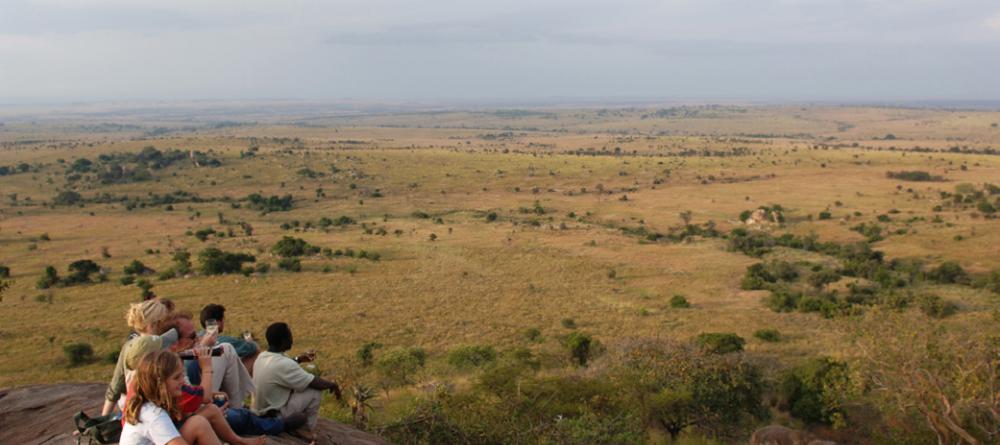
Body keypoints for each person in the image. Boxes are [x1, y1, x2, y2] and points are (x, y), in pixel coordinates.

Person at [252, 322, 342, 439]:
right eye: (290, 336)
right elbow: (314, 382)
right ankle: (306, 428)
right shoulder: (285, 364)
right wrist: (333, 385)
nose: (292, 339)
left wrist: (298, 359)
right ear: (283, 340)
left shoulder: (262, 356)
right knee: (314, 391)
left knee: (296, 385)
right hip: (274, 416)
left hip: (258, 411)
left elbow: (282, 366)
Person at [119, 350, 222, 445]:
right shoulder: (154, 415)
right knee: (199, 423)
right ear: (160, 383)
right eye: (176, 377)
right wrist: (207, 369)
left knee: (198, 423)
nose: (182, 381)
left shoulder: (152, 404)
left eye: (182, 375)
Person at [103, 299, 179, 415]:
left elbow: (116, 385)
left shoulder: (129, 345)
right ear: (154, 324)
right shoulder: (157, 344)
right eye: (164, 321)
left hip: (130, 406)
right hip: (151, 408)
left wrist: (103, 419)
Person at [168, 311, 254, 409]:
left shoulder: (175, 359)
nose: (197, 338)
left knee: (226, 348)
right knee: (227, 349)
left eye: (196, 334)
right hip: (200, 412)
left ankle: (239, 407)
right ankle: (239, 408)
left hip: (200, 405)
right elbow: (204, 399)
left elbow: (192, 393)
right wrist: (206, 367)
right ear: (175, 342)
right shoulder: (171, 366)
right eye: (192, 336)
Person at [186, 304, 259, 384]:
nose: (224, 322)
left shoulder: (196, 338)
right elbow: (252, 348)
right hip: (210, 384)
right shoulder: (224, 341)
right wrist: (250, 341)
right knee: (256, 353)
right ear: (217, 322)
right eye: (223, 319)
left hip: (194, 382)